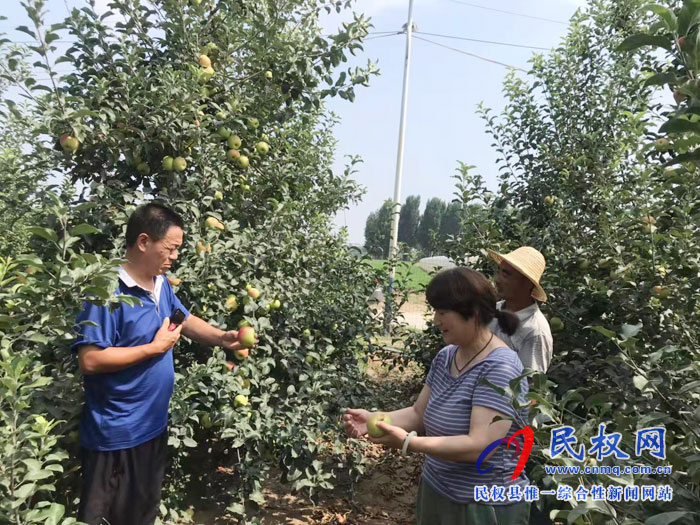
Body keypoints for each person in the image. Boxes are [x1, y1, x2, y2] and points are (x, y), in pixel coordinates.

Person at [71, 203, 251, 525]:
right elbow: (91, 359)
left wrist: (221, 337)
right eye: (170, 249)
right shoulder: (105, 291)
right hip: (116, 438)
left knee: (141, 517)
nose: (175, 256)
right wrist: (152, 349)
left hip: (152, 430)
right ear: (143, 242)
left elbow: (184, 319)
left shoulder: (160, 284)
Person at [345, 267, 530, 524]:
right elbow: (418, 413)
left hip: (481, 505)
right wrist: (375, 418)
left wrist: (409, 444)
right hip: (438, 490)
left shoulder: (500, 368)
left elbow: (481, 447)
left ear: (473, 314)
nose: (435, 320)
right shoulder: (447, 356)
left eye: (442, 313)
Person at [487, 246, 553, 373]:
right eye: (499, 272)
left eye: (506, 275)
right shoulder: (491, 311)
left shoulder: (535, 331)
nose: (498, 280)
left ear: (527, 283)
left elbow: (530, 385)